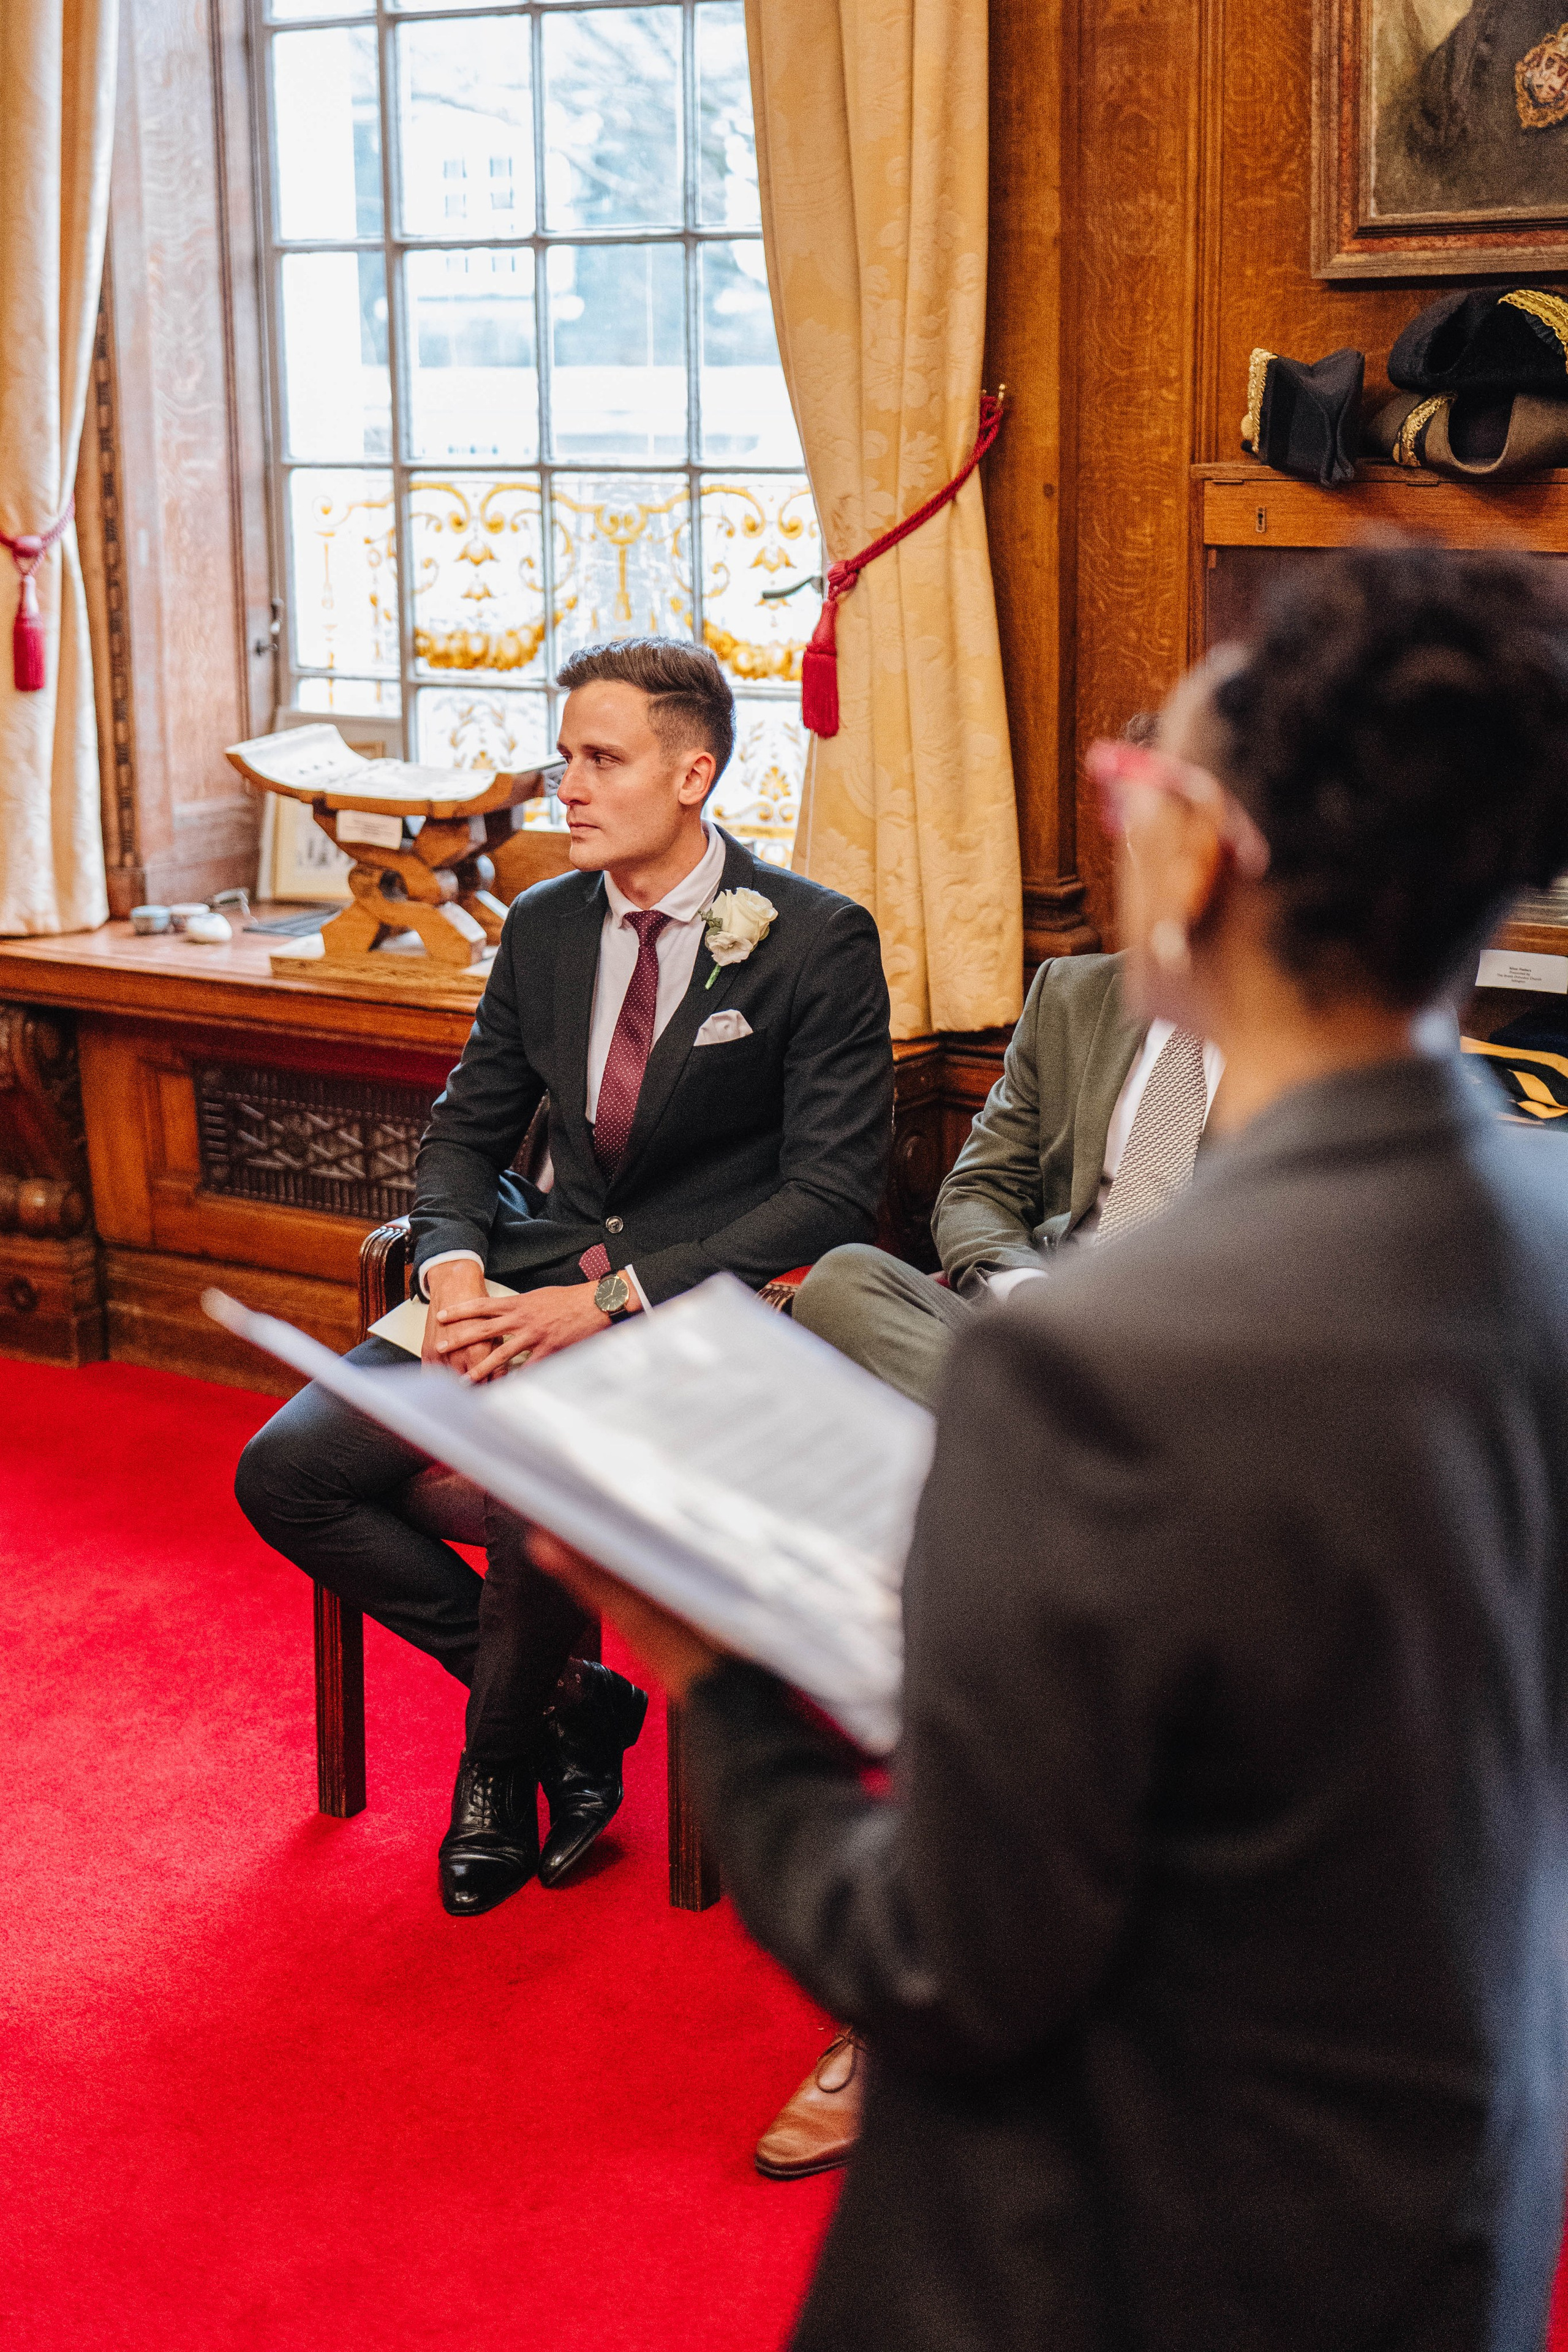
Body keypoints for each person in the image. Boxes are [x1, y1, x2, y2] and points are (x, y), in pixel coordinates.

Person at [533, 546, 1568, 2350]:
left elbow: (940, 1958)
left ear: (1207, 852)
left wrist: (715, 1678)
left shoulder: (1099, 1364)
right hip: (1446, 2189)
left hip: (1137, 2238)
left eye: (1131, 791)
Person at [236, 638, 892, 1918]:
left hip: (694, 1312)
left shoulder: (813, 939)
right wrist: (463, 1268)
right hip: (521, 1275)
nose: (565, 787)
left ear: (693, 771)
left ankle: (491, 1772)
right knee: (286, 1473)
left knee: (541, 1478)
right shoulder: (541, 926)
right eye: (565, 757)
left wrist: (600, 1305)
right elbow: (465, 1136)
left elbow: (826, 1195)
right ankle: (569, 1712)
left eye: (601, 759)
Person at [792, 712, 1223, 1411]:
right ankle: (1057, 1439)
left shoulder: (1302, 1034)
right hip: (1039, 1321)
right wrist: (1029, 1293)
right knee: (843, 1284)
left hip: (1179, 1358)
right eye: (1140, 841)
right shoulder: (1075, 994)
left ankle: (1027, 1438)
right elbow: (978, 1191)